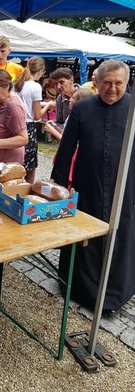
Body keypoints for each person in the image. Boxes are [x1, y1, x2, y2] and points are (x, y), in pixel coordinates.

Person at [51, 59, 135, 318]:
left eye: (118, 83)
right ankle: (78, 288)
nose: (112, 88)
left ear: (126, 83)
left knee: (120, 235)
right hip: (87, 183)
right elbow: (66, 148)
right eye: (106, 83)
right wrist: (58, 184)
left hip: (126, 184)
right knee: (85, 233)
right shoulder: (83, 108)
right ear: (96, 82)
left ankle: (113, 296)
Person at [14, 57, 56, 183]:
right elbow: (37, 116)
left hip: (15, 125)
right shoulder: (35, 87)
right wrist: (48, 105)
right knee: (30, 166)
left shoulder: (16, 84)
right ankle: (27, 192)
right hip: (28, 127)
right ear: (40, 71)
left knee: (16, 163)